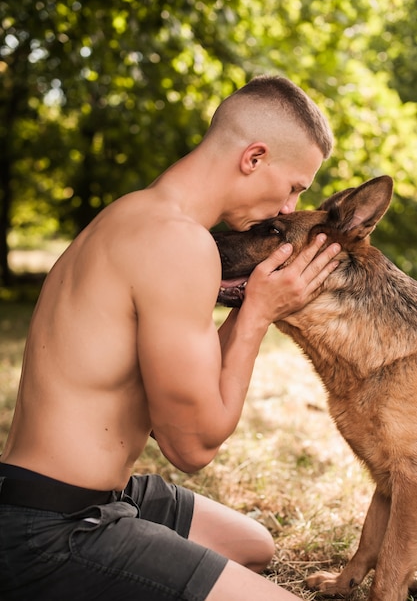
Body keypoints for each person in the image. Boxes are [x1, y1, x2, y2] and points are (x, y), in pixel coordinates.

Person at [0, 75, 341, 601]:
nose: (290, 208)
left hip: (87, 493)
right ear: (253, 157)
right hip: (50, 528)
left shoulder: (136, 214)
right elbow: (190, 446)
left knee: (254, 545)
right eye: (295, 186)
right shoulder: (177, 245)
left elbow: (180, 404)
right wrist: (257, 313)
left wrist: (254, 307)